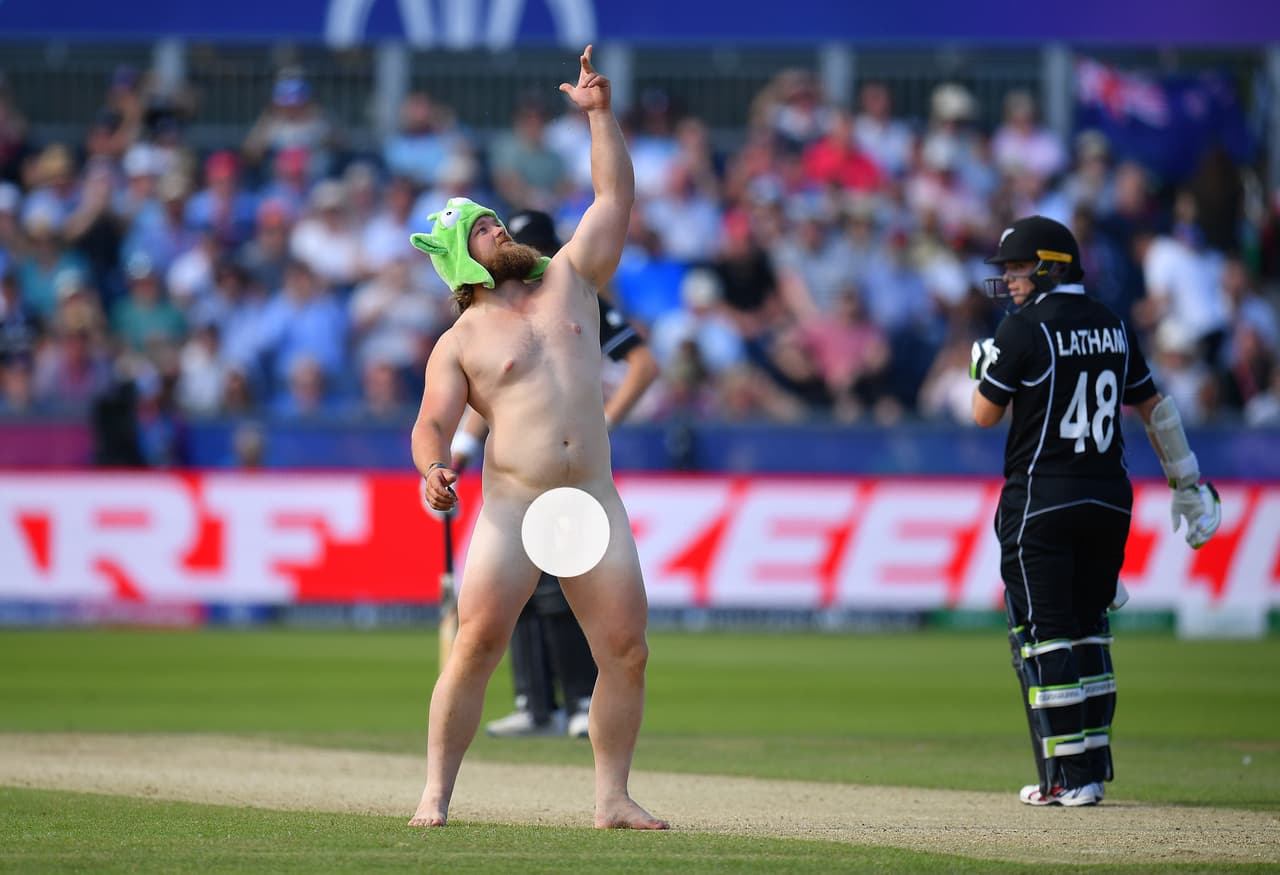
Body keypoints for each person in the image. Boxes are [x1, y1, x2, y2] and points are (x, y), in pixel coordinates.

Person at [407, 46, 667, 830]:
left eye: (492, 220)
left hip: (590, 496)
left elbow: (613, 195)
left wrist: (599, 117)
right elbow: (433, 424)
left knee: (624, 650)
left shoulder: (570, 276)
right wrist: (430, 469)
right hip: (512, 511)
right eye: (483, 228)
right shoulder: (461, 338)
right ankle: (434, 795)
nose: (497, 228)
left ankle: (612, 798)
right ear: (462, 257)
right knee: (478, 646)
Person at [969, 215, 1222, 807]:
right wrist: (1186, 482)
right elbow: (1155, 409)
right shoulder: (1112, 322)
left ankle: (1069, 777)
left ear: (1051, 265)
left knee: (1047, 636)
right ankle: (1093, 771)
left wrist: (981, 367)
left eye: (1018, 266)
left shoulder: (1022, 328)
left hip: (1041, 499)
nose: (1008, 279)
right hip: (1109, 498)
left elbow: (983, 414)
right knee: (1090, 631)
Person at [447, 208, 658, 740]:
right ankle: (536, 701)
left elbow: (641, 363)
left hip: (580, 479)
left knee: (564, 600)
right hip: (518, 487)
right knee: (512, 611)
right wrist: (463, 444)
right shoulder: (482, 328)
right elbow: (502, 388)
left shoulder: (573, 289)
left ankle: (576, 699)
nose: (514, 243)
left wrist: (603, 421)